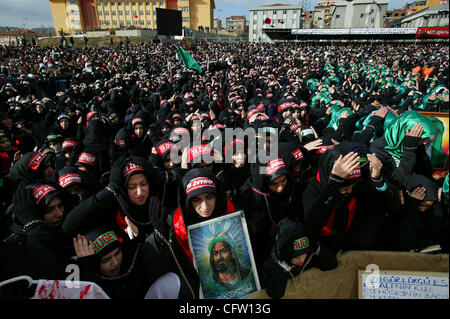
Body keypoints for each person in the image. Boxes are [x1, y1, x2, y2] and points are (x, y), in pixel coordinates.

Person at [262, 217, 335, 299]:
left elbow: (331, 264)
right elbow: (276, 293)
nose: (302, 260)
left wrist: (316, 247)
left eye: (304, 254)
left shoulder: (308, 255)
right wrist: (281, 266)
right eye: (296, 257)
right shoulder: (274, 263)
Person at [202, 231, 257, 299]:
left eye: (224, 251)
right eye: (215, 253)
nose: (219, 257)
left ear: (233, 253)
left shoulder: (249, 276)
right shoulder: (208, 288)